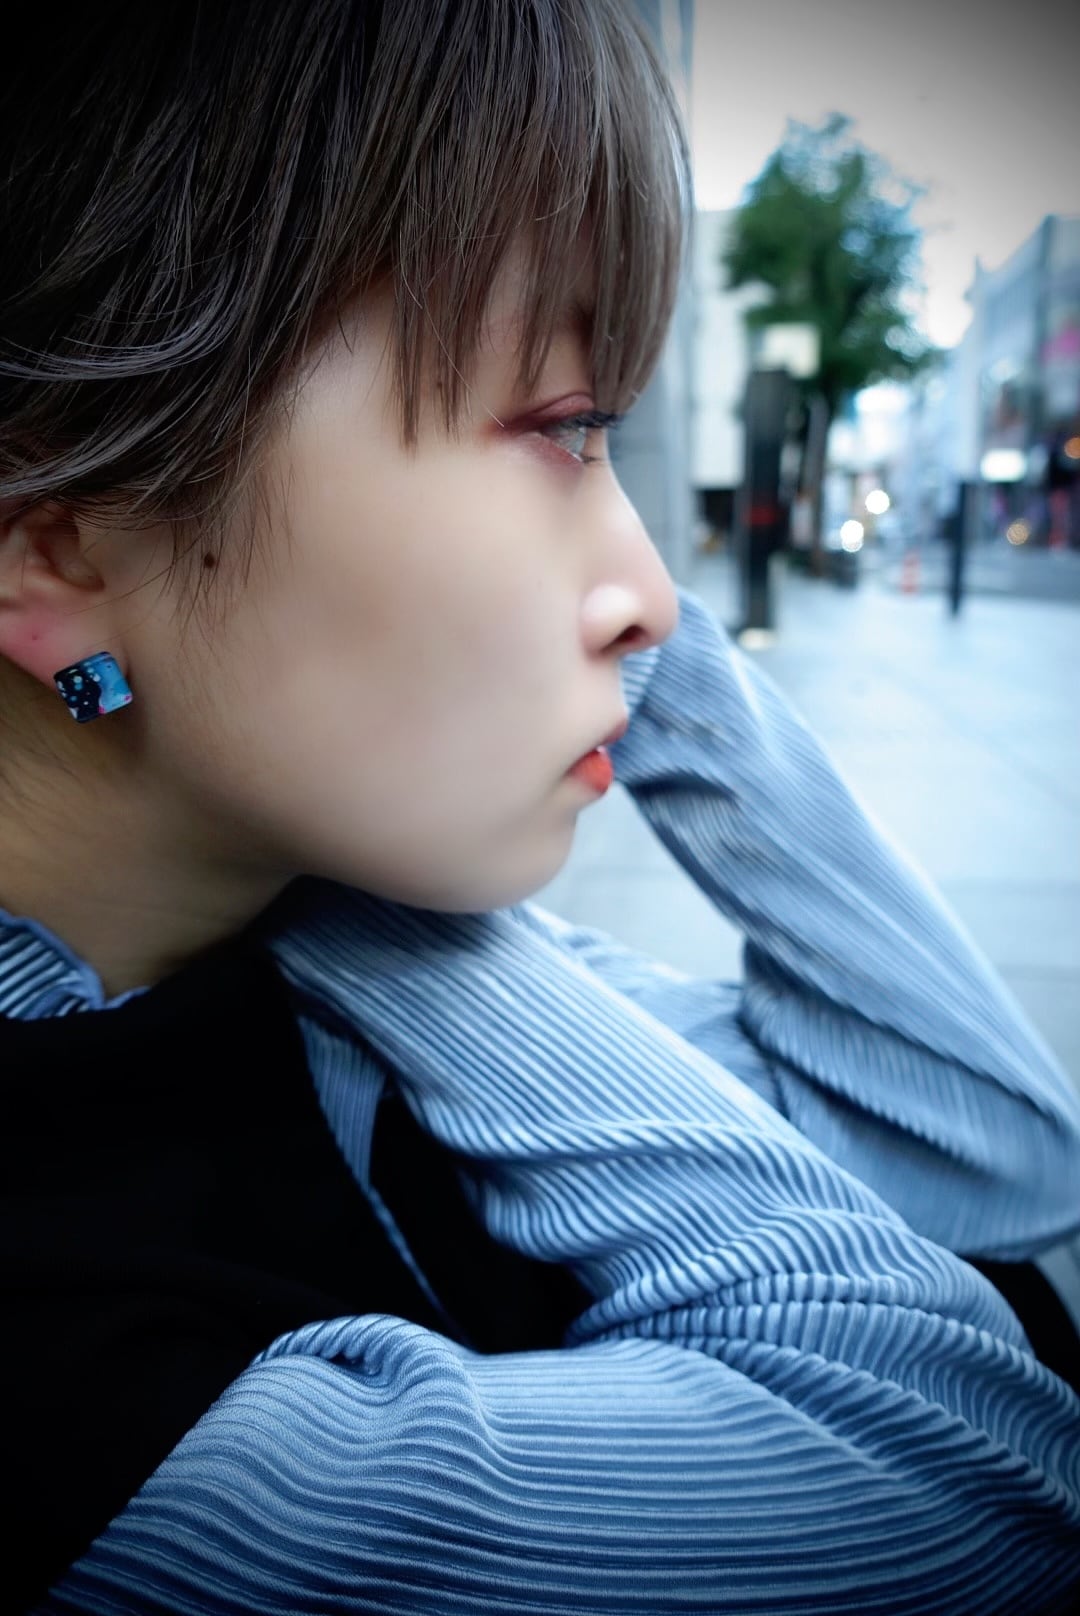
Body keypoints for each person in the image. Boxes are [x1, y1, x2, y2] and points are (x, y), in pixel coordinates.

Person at [1, 3, 1078, 1612]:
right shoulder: (63, 1384)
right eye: (564, 429)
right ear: (65, 542)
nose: (658, 600)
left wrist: (348, 874)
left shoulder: (291, 939)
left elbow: (992, 1155)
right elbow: (985, 1468)